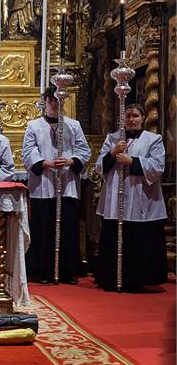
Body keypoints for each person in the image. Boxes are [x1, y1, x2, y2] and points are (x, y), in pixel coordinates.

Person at [21, 84, 91, 284]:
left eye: (57, 99)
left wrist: (70, 161)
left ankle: (67, 269)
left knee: (68, 227)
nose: (53, 103)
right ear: (45, 102)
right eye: (50, 99)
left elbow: (84, 150)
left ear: (63, 100)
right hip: (43, 183)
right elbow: (27, 151)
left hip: (66, 183)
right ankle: (43, 269)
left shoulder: (73, 125)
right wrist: (44, 162)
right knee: (43, 229)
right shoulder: (34, 126)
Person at [94, 103, 167, 290]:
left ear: (143, 118)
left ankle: (137, 279)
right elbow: (99, 166)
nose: (131, 119)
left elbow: (158, 166)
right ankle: (111, 277)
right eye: (127, 116)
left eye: (135, 116)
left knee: (137, 238)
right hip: (114, 198)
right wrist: (113, 152)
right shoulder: (112, 138)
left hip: (141, 195)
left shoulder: (154, 139)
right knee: (114, 235)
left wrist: (132, 161)